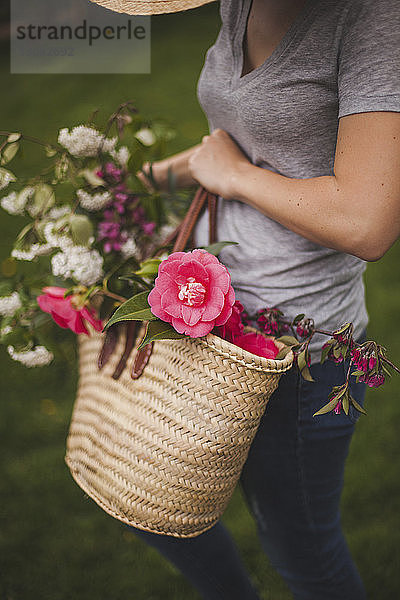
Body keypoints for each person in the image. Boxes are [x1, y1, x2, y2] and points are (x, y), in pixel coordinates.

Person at [95, 1, 400, 598]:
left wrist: (232, 177)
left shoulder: (373, 18)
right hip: (203, 324)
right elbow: (246, 141)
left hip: (293, 355)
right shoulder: (242, 2)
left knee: (302, 552)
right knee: (150, 501)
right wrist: (142, 179)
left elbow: (368, 223)